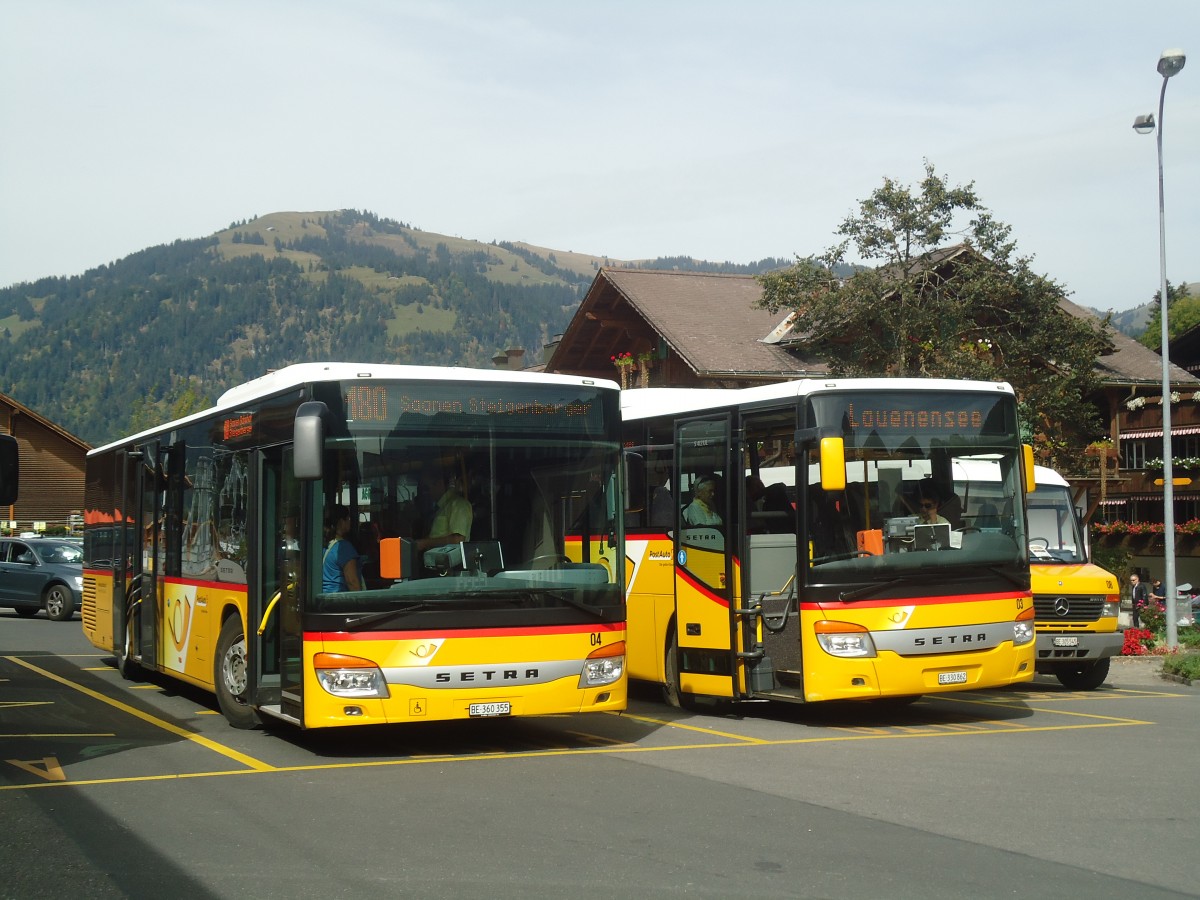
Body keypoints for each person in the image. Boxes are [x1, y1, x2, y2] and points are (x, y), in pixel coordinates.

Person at [416, 466, 473, 552]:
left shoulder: (458, 505)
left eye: (427, 488)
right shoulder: (440, 507)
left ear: (440, 483)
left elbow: (458, 540)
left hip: (451, 563)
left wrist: (425, 543)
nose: (425, 493)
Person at [322, 505, 362, 593]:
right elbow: (352, 583)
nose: (350, 522)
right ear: (341, 522)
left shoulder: (322, 545)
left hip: (324, 600)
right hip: (339, 601)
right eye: (348, 519)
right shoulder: (343, 548)